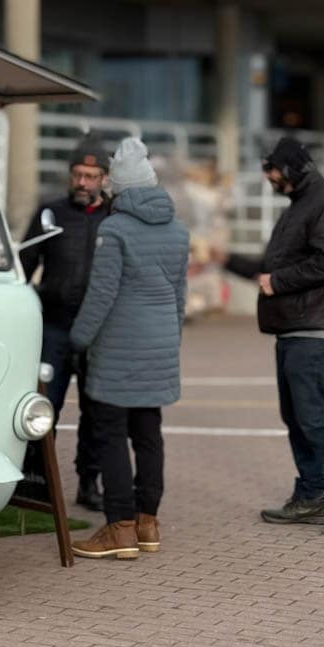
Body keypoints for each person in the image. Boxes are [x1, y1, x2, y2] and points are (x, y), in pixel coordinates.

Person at [219, 136, 324, 537]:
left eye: (272, 169)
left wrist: (278, 281)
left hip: (320, 327)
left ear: (293, 168)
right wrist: (222, 260)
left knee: (313, 417)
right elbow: (268, 267)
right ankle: (311, 497)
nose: (269, 177)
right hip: (297, 326)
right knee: (297, 417)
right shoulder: (300, 206)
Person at [68, 137, 189, 560]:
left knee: (111, 433)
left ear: (118, 186)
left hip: (118, 348)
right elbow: (179, 296)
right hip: (159, 345)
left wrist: (78, 339)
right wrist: (170, 338)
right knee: (149, 433)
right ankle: (148, 524)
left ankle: (119, 529)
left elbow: (101, 295)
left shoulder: (114, 229)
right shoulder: (177, 230)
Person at [19, 135, 111, 511]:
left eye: (91, 175)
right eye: (78, 174)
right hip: (53, 329)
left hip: (99, 334)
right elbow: (23, 268)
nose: (83, 182)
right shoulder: (49, 213)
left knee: (97, 412)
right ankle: (35, 483)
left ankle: (89, 483)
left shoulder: (115, 218)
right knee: (44, 406)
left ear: (104, 178)